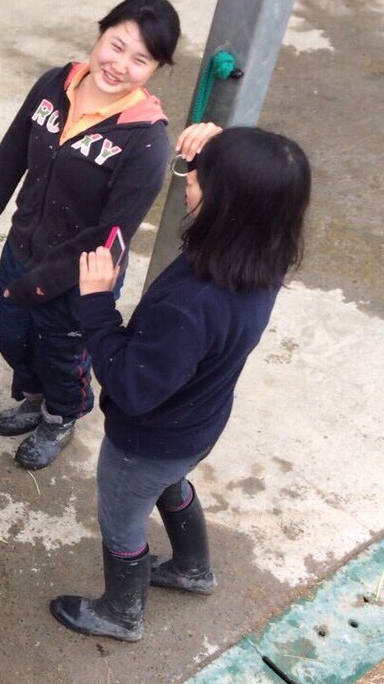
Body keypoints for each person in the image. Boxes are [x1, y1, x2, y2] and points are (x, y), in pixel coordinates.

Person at [49, 125, 311, 641]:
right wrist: (220, 146)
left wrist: (96, 303)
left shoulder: (191, 306)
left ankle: (121, 614)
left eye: (198, 177)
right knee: (171, 482)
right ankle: (193, 569)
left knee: (121, 519)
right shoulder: (263, 257)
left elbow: (131, 385)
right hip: (198, 424)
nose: (186, 180)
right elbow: (259, 183)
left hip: (146, 440)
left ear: (228, 205)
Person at [0, 0, 180, 469]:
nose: (120, 65)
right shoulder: (55, 84)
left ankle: (60, 417)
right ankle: (35, 399)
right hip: (22, 249)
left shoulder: (146, 141)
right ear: (100, 34)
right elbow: (9, 157)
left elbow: (107, 236)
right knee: (14, 340)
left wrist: (36, 286)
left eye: (140, 60)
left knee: (62, 356)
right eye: (116, 46)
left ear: (155, 69)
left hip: (80, 279)